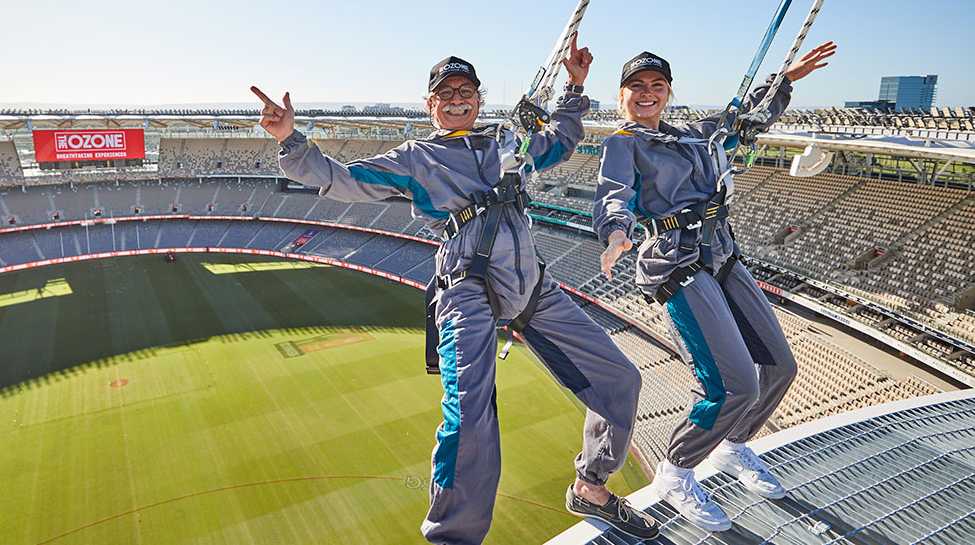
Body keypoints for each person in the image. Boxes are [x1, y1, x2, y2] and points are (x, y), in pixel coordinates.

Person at [252, 35, 660, 543]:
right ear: (430, 105)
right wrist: (291, 140)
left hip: (531, 280)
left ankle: (590, 487)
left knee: (619, 378)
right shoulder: (415, 156)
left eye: (465, 90)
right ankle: (452, 537)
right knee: (468, 411)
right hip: (467, 283)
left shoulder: (506, 144)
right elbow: (342, 178)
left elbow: (561, 138)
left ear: (479, 98)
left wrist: (575, 86)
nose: (456, 99)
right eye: (444, 93)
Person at [594, 42, 836, 531]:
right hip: (676, 263)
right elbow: (613, 193)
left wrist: (786, 78)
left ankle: (733, 446)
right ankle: (676, 471)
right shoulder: (624, 143)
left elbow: (746, 118)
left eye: (656, 86)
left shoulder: (695, 133)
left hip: (721, 253)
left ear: (668, 93)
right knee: (733, 384)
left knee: (779, 367)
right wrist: (616, 231)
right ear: (621, 96)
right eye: (636, 88)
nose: (647, 94)